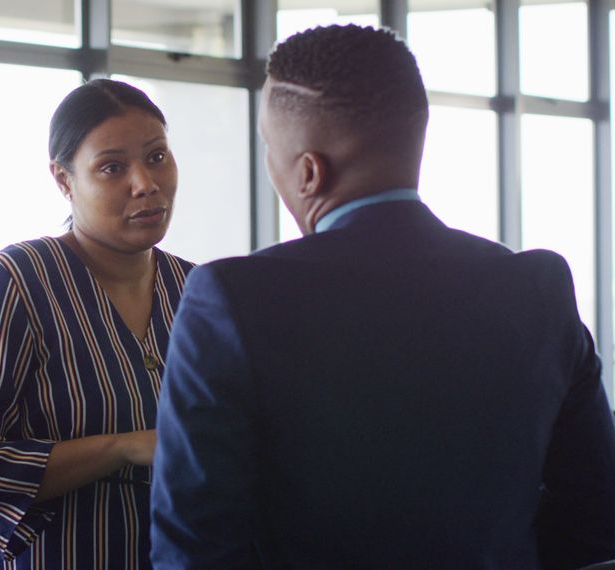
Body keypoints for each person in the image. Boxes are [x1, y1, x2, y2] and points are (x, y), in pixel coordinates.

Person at [150, 24, 615, 570]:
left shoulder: (230, 300)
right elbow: (597, 518)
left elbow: (195, 547)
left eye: (269, 150)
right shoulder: (537, 287)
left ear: (308, 172)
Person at [0, 78, 195, 569]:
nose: (145, 183)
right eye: (112, 167)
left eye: (156, 156)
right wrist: (121, 448)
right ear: (64, 180)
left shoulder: (196, 289)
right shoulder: (16, 282)